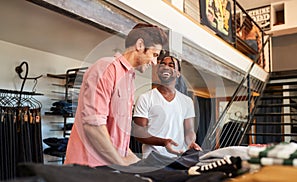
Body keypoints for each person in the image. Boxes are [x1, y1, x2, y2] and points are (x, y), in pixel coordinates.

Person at [64, 23, 168, 167]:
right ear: (139, 44)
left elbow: (119, 141)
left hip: (110, 169)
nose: (154, 62)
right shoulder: (106, 68)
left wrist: (141, 164)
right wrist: (121, 163)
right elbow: (93, 126)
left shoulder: (129, 80)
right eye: (154, 55)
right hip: (88, 170)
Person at [133, 52, 201, 158]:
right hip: (152, 157)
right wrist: (163, 142)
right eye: (163, 64)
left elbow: (189, 130)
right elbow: (139, 132)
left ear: (178, 73)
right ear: (158, 71)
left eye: (171, 65)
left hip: (177, 157)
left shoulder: (187, 102)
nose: (165, 67)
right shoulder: (145, 98)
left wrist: (190, 142)